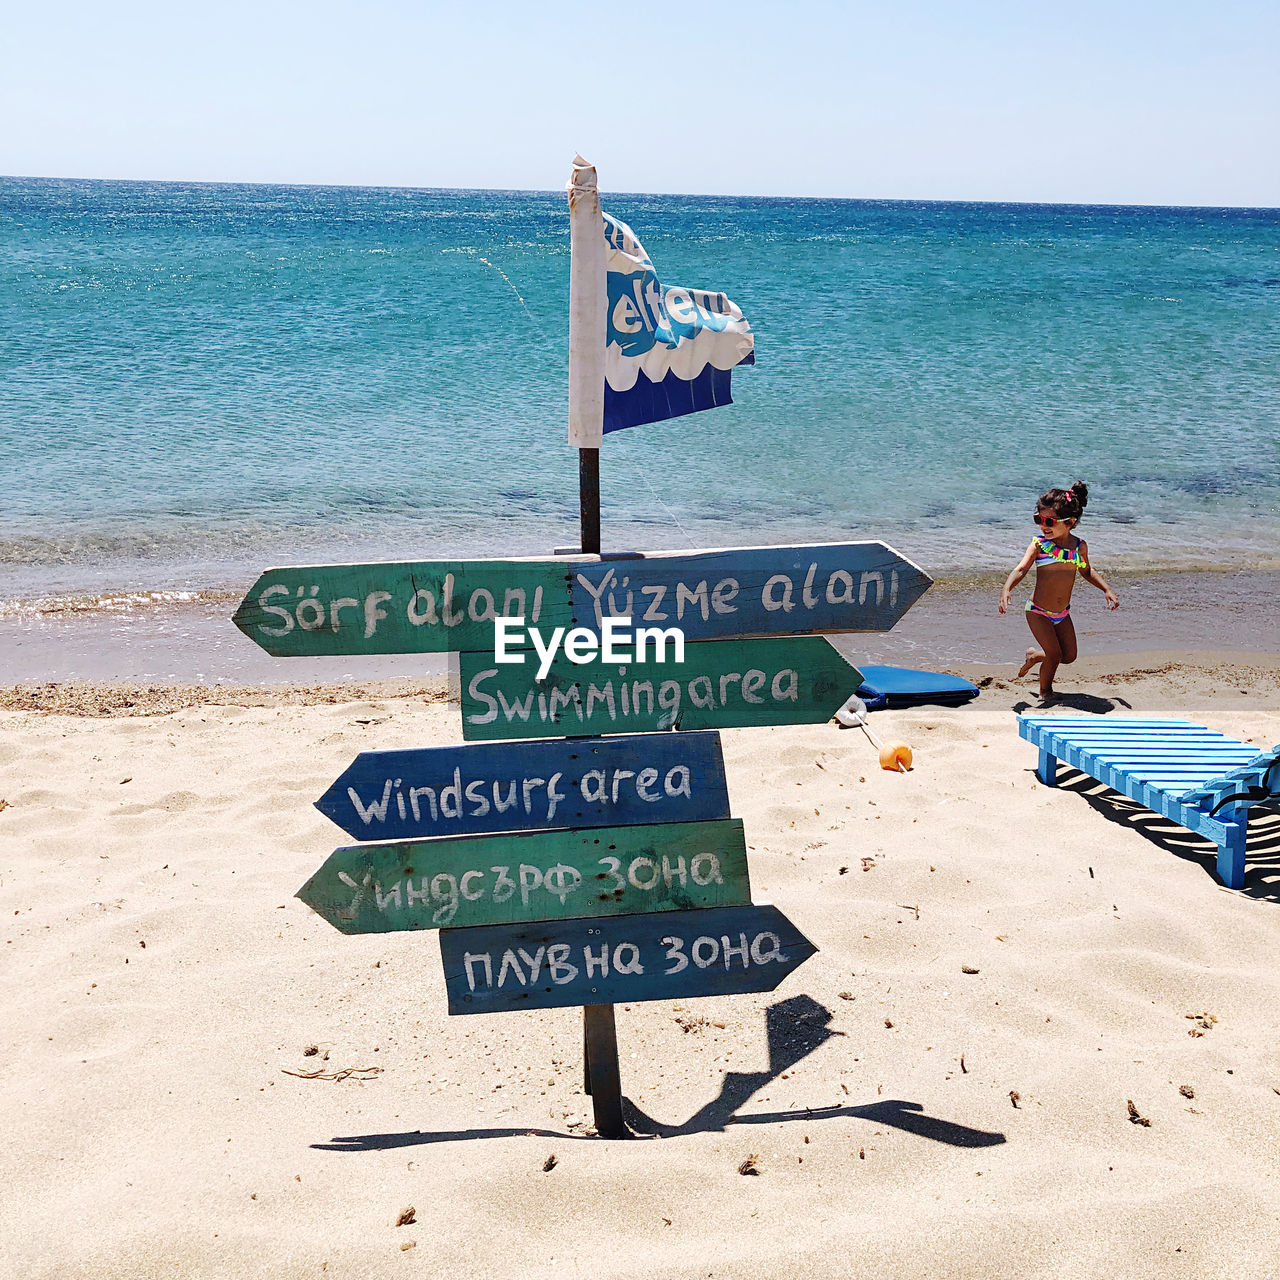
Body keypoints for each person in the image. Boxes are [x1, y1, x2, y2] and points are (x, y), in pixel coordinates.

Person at [998, 481, 1119, 702]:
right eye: (1039, 519)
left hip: (1062, 614)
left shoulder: (1079, 547)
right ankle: (1045, 692)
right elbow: (1022, 568)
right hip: (1037, 611)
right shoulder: (1039, 546)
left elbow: (1086, 571)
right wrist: (1007, 588)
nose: (1043, 526)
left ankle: (1035, 656)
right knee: (1054, 655)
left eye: (1049, 521)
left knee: (1068, 656)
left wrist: (1106, 589)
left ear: (1070, 522)